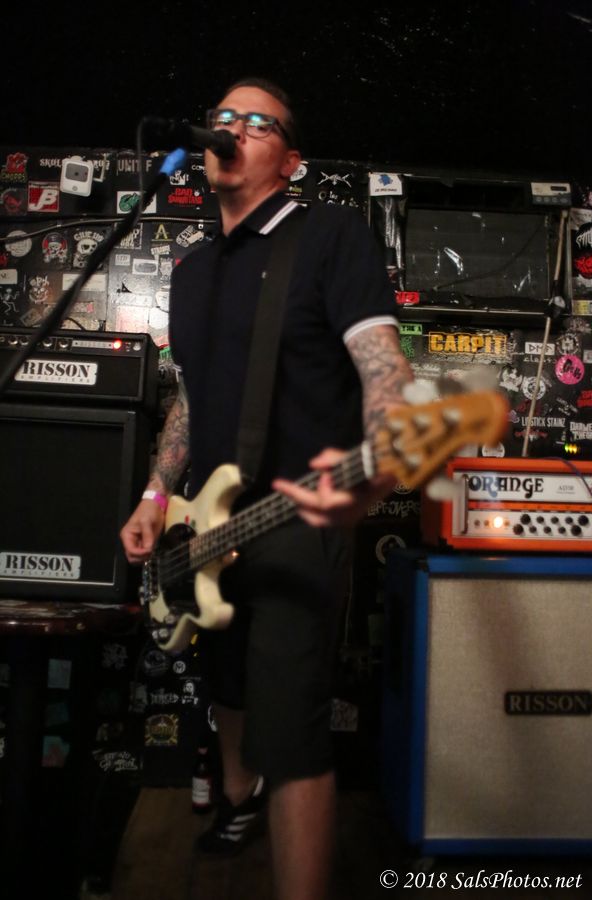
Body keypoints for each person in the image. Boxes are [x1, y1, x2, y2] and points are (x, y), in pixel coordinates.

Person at [120, 77, 413, 900]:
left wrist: (380, 459)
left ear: (290, 160)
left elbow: (383, 368)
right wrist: (156, 496)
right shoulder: (192, 271)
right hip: (207, 526)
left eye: (257, 122)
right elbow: (191, 398)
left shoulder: (329, 237)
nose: (232, 129)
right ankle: (237, 799)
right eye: (223, 118)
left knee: (293, 738)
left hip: (296, 521)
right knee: (229, 686)